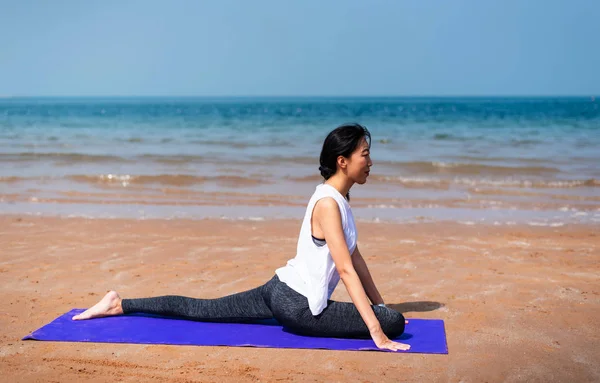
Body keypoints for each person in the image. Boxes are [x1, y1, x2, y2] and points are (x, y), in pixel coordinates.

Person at [73, 123, 410, 352]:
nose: (370, 162)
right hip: (298, 306)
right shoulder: (328, 204)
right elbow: (347, 270)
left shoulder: (336, 197)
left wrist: (379, 305)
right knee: (393, 324)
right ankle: (119, 304)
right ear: (343, 161)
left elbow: (356, 257)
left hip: (279, 289)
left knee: (204, 310)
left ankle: (120, 304)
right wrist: (378, 332)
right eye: (364, 155)